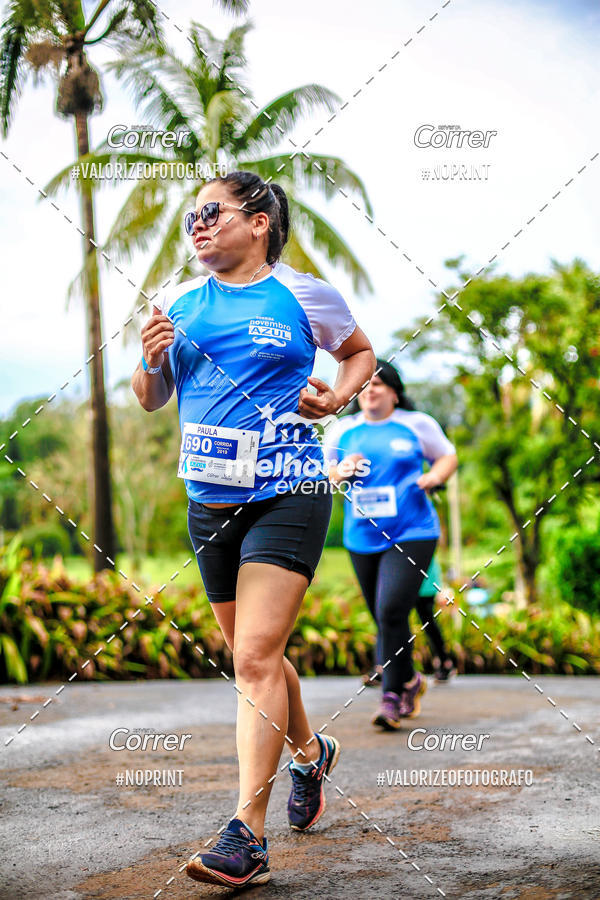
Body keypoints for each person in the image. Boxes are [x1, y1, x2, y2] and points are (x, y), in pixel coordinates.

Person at [132, 171, 375, 888]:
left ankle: (248, 838)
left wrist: (338, 396)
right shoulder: (177, 299)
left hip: (288, 490)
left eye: (212, 212)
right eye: (191, 217)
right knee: (252, 654)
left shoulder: (304, 295)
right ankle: (311, 753)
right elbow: (151, 398)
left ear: (259, 220)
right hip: (208, 502)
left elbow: (358, 352)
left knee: (254, 660)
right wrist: (148, 361)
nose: (197, 225)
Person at [325, 360, 458, 730]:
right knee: (383, 617)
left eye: (379, 384)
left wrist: (434, 476)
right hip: (362, 536)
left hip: (412, 531)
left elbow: (447, 455)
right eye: (364, 385)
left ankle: (392, 696)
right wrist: (342, 471)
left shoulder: (417, 424)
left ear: (394, 391)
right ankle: (411, 680)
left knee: (391, 610)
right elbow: (326, 475)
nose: (370, 390)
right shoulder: (343, 430)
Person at [361, 554, 456, 686]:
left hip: (423, 575)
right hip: (400, 574)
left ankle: (444, 661)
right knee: (389, 619)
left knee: (427, 620)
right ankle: (382, 666)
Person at [415, 555, 457, 683]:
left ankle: (444, 662)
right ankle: (385, 667)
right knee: (392, 620)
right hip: (403, 577)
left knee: (428, 622)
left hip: (425, 579)